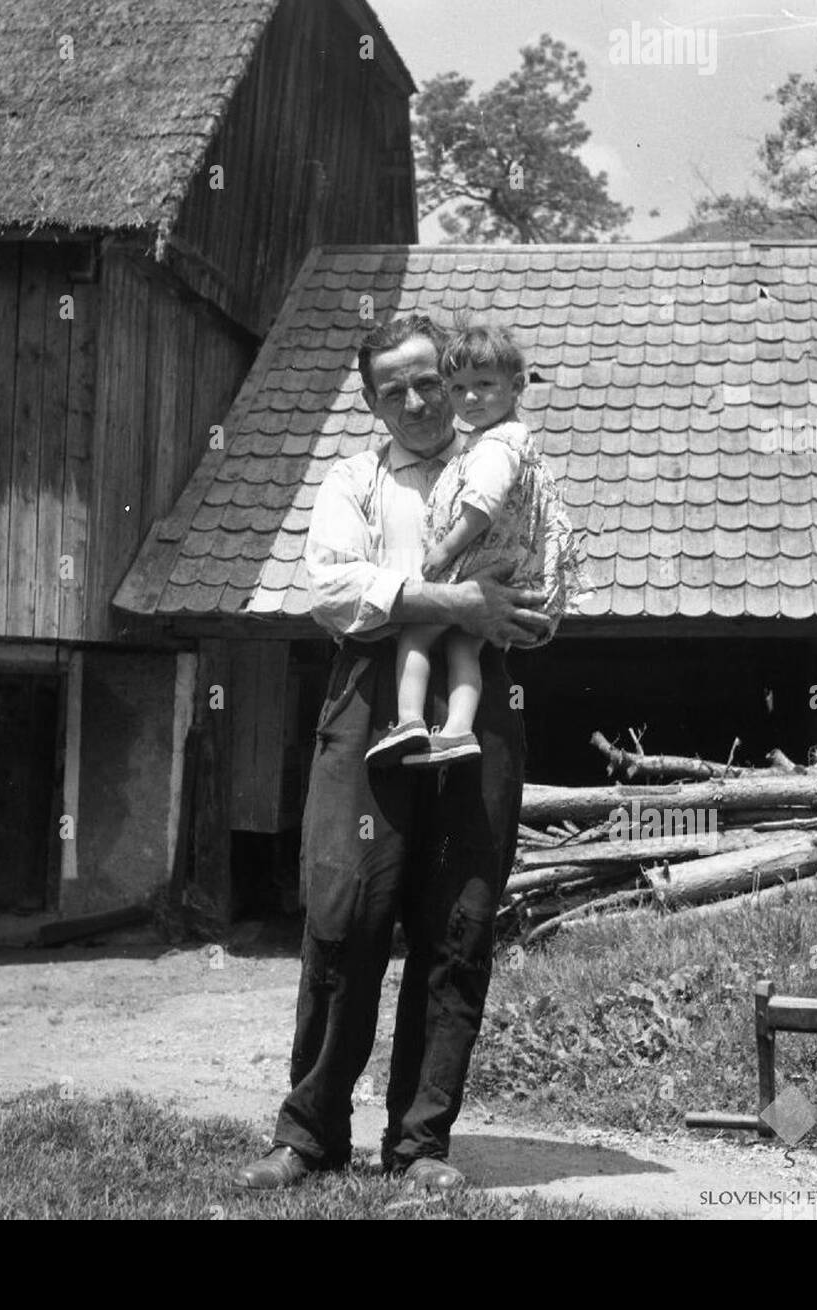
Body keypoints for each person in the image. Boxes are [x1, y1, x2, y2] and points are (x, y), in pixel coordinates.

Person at [231, 313, 560, 1195]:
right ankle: (309, 1135)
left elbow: (544, 590)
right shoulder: (351, 481)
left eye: (429, 381)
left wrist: (490, 612)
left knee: (457, 926)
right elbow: (330, 590)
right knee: (344, 915)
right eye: (394, 390)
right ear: (373, 402)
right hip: (368, 700)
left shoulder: (505, 462)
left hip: (475, 706)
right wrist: (452, 601)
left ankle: (421, 1147)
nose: (417, 402)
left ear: (452, 380)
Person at [366, 321, 576, 769]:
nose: (470, 399)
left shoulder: (494, 447)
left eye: (483, 386)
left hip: (474, 564)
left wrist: (444, 550)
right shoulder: (507, 439)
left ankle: (407, 721)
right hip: (499, 568)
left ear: (516, 387)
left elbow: (481, 505)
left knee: (416, 636)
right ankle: (459, 730)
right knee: (464, 648)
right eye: (459, 388)